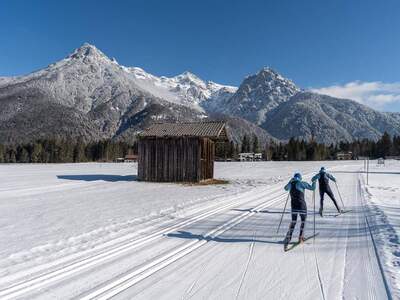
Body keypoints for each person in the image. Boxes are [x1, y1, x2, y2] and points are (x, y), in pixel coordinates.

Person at [283, 172, 316, 251]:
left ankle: (288, 237)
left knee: (293, 221)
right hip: (302, 206)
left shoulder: (291, 184)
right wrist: (314, 182)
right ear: (300, 178)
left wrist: (289, 182)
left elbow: (285, 188)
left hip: (293, 206)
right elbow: (312, 188)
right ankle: (300, 237)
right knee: (303, 221)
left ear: (294, 178)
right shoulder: (301, 183)